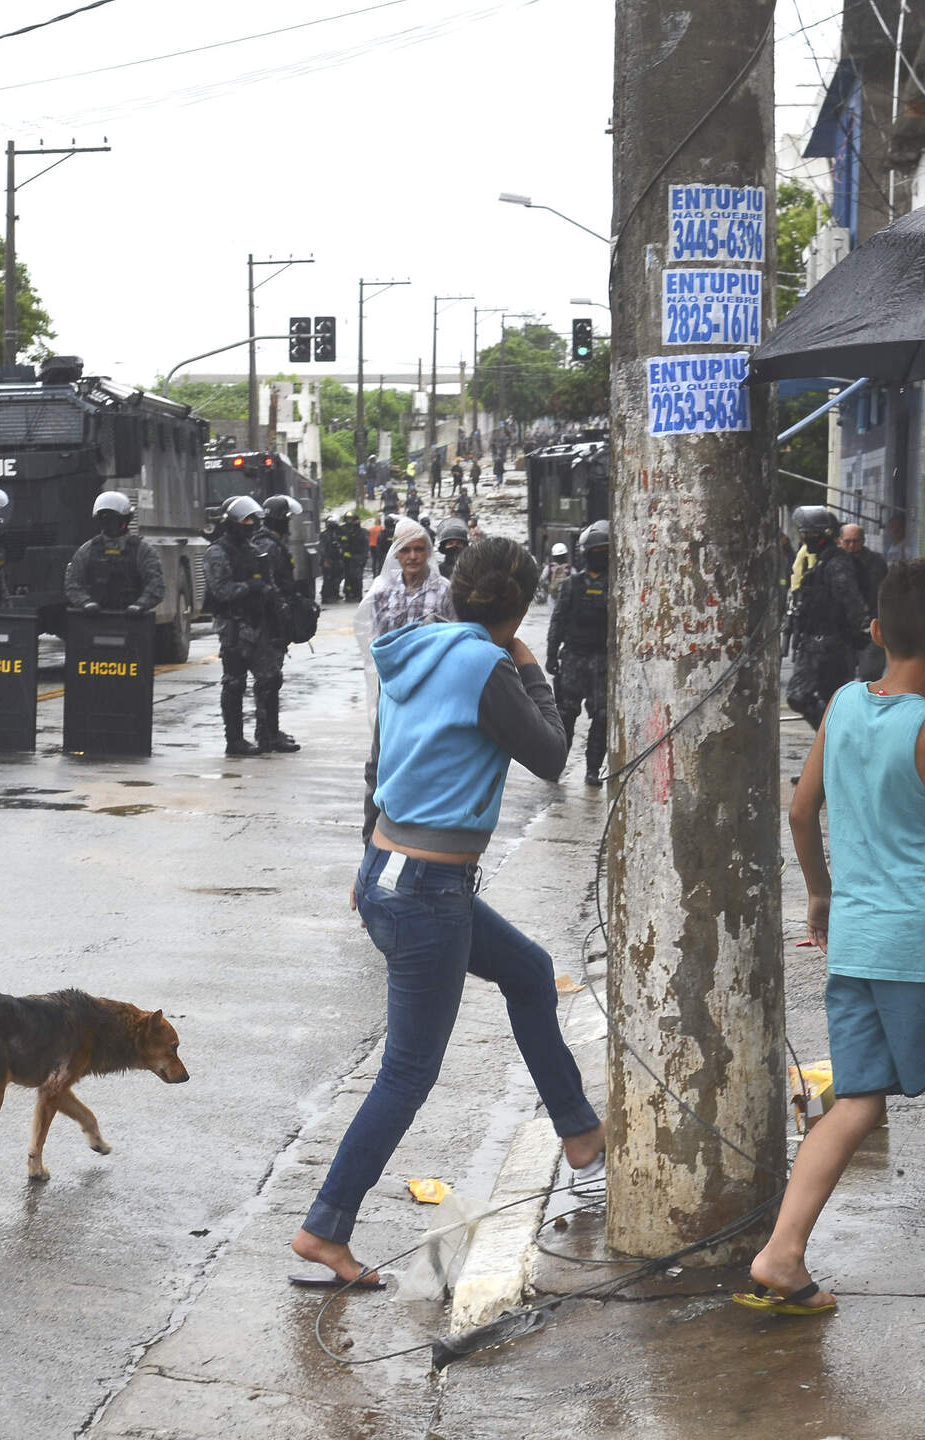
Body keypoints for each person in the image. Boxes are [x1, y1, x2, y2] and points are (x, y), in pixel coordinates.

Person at [292, 537, 605, 1288]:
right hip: (428, 890)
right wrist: (531, 666)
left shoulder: (413, 648)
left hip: (390, 869)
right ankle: (323, 1229)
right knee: (406, 1073)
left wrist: (366, 860)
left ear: (454, 590)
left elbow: (380, 761)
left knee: (529, 975)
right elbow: (552, 754)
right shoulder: (486, 666)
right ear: (519, 606)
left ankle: (583, 1139)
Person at [743, 558, 925, 1321]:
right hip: (920, 947)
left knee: (857, 1101)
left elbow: (801, 811)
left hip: (855, 940)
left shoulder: (844, 706)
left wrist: (821, 896)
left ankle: (783, 1251)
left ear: (874, 631)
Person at [204, 495, 286, 758]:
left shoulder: (254, 551)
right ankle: (235, 740)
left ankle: (268, 735)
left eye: (253, 519)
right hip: (233, 627)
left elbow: (269, 585)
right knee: (234, 684)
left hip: (258, 624)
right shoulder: (217, 552)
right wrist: (250, 587)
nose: (250, 524)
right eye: (246, 520)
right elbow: (220, 591)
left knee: (270, 679)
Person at [784, 506, 870, 731]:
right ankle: (833, 737)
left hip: (832, 646)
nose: (804, 538)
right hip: (815, 643)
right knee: (804, 697)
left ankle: (836, 737)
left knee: (813, 697)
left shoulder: (836, 563)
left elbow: (853, 602)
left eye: (807, 534)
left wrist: (857, 633)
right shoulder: (818, 560)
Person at [547, 519, 611, 785]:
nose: (600, 556)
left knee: (603, 716)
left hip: (600, 659)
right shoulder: (572, 585)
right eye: (596, 551)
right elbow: (558, 620)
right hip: (573, 657)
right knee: (565, 715)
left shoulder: (616, 584)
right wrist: (552, 654)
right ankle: (556, 765)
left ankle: (592, 769)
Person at [253, 495, 304, 753]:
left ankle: (271, 731)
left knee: (273, 679)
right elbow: (272, 588)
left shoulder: (269, 543)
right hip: (268, 624)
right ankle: (267, 735)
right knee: (269, 680)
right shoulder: (270, 547)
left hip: (271, 623)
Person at [66, 490, 163, 615]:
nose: (110, 525)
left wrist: (140, 605)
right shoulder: (87, 550)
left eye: (114, 519)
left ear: (126, 519)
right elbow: (73, 583)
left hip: (133, 621)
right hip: (94, 621)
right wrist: (86, 603)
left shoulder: (143, 551)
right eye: (105, 519)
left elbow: (156, 584)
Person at [840, 523, 889, 682]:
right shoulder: (836, 563)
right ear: (840, 541)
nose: (852, 546)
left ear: (863, 540)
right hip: (843, 628)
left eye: (856, 541)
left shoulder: (876, 562)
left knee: (870, 674)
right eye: (847, 541)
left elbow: (884, 593)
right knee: (841, 676)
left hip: (871, 626)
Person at [340, 512, 368, 604]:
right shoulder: (342, 530)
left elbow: (364, 547)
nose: (350, 521)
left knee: (358, 577)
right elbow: (341, 543)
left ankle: (358, 594)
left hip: (358, 558)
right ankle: (348, 594)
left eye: (351, 519)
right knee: (348, 577)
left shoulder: (362, 532)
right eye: (348, 519)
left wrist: (362, 559)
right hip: (347, 559)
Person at [319, 516, 345, 604]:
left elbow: (342, 544)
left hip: (337, 559)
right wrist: (325, 560)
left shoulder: (337, 534)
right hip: (328, 559)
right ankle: (325, 596)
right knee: (327, 578)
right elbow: (322, 548)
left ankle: (335, 593)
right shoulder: (324, 535)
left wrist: (340, 548)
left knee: (337, 577)